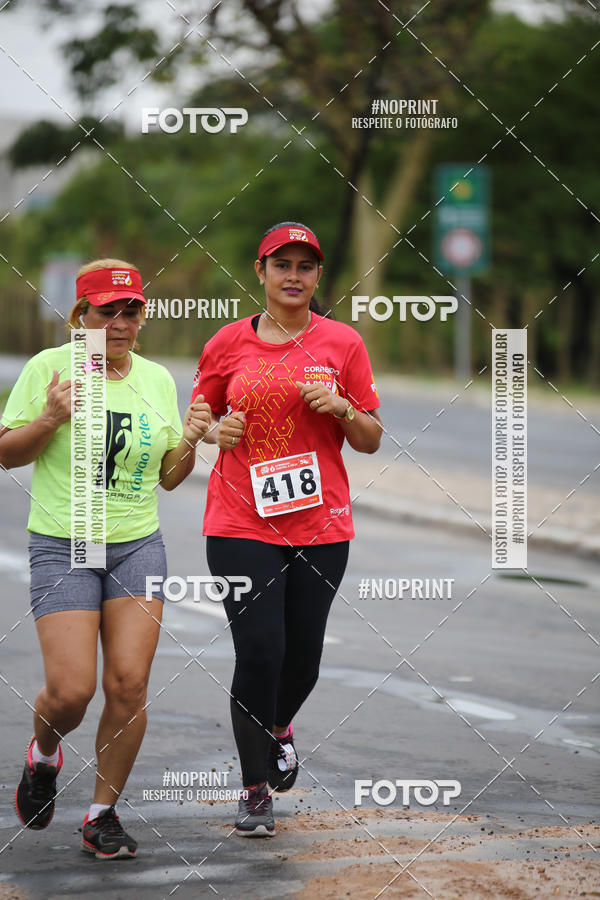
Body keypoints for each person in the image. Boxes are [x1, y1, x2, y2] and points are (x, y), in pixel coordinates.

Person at [0, 259, 211, 858]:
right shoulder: (50, 368)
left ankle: (101, 814)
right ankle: (43, 755)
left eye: (131, 310)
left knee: (129, 683)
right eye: (105, 311)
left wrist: (192, 438)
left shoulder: (156, 380)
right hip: (66, 541)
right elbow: (6, 455)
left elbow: (170, 479)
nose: (119, 323)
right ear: (81, 315)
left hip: (136, 542)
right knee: (71, 692)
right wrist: (50, 417)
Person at [192, 222, 382, 836]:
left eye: (305, 266)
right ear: (261, 272)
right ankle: (253, 792)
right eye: (282, 265)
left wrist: (344, 409)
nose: (293, 275)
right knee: (261, 651)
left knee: (302, 660)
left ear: (318, 276)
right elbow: (201, 413)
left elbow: (372, 438)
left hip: (321, 524)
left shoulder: (343, 344)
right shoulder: (227, 343)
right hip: (239, 518)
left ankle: (279, 729)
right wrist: (213, 431)